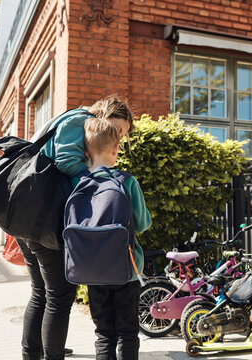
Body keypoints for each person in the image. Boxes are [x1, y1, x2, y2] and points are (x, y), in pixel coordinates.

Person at [15, 95, 134, 360]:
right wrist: (101, 185)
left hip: (31, 217)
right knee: (59, 296)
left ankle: (33, 353)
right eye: (118, 129)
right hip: (43, 221)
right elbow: (67, 161)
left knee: (41, 293)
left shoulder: (72, 121)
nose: (117, 138)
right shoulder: (81, 120)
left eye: (122, 136)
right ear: (106, 113)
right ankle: (49, 354)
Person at [82, 115, 151, 360]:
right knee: (128, 333)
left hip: (92, 272)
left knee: (104, 334)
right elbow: (142, 224)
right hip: (126, 270)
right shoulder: (127, 181)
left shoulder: (79, 182)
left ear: (87, 152)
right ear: (116, 148)